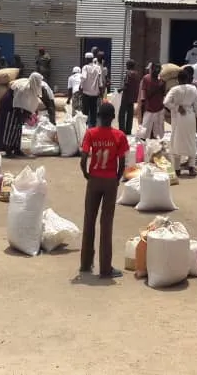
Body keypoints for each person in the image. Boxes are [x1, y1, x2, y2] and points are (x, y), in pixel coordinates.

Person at [79, 102, 129, 279]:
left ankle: (85, 264)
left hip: (94, 179)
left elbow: (83, 158)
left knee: (89, 220)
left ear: (98, 116)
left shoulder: (91, 133)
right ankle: (105, 268)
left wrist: (87, 174)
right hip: (109, 181)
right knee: (106, 224)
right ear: (113, 117)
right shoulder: (120, 136)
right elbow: (122, 163)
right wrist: (116, 179)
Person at [164, 69, 197, 177]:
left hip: (178, 117)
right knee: (191, 140)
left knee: (176, 141)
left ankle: (177, 169)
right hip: (190, 117)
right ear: (188, 78)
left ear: (178, 80)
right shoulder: (193, 88)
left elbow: (166, 102)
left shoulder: (174, 89)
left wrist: (176, 107)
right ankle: (191, 167)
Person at [0, 87, 27, 157]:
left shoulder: (29, 89)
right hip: (9, 108)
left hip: (16, 107)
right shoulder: (22, 89)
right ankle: (7, 149)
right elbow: (16, 102)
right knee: (9, 129)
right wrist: (21, 114)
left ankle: (16, 148)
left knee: (18, 129)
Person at [138, 63, 166, 140]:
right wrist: (143, 104)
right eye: (155, 69)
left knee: (157, 130)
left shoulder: (162, 82)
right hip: (150, 108)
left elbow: (163, 95)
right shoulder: (146, 79)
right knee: (146, 129)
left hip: (157, 109)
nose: (156, 71)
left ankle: (155, 143)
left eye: (158, 69)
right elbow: (143, 92)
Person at [80, 53, 104, 127]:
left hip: (86, 93)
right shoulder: (98, 68)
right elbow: (100, 81)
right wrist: (101, 91)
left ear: (86, 59)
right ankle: (93, 127)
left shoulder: (85, 67)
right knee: (93, 111)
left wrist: (80, 86)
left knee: (85, 112)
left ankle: (85, 128)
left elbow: (83, 77)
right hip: (95, 94)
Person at [118, 60, 142, 135]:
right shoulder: (137, 74)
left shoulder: (128, 73)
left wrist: (120, 89)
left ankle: (122, 131)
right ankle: (128, 131)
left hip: (126, 97)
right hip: (132, 98)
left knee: (121, 114)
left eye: (126, 64)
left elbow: (126, 85)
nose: (126, 66)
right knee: (130, 115)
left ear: (128, 65)